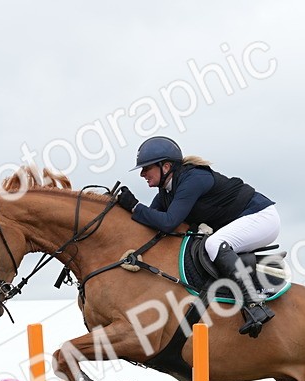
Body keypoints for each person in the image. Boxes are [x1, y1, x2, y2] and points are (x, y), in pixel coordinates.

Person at [115, 136, 280, 337]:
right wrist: (119, 210)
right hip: (244, 221)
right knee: (210, 243)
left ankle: (254, 303)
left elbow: (168, 222)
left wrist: (134, 205)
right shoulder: (166, 191)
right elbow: (152, 224)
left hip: (261, 217)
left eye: (146, 168)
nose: (142, 173)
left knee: (214, 244)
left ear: (165, 166)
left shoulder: (193, 179)